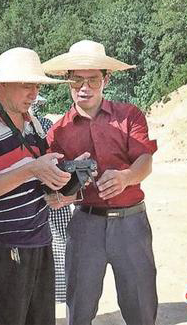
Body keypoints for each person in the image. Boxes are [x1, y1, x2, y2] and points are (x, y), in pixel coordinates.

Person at [43, 40, 158, 325]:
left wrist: (126, 177)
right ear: (67, 80)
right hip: (84, 226)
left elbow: (145, 161)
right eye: (77, 80)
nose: (84, 87)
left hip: (132, 225)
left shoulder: (130, 116)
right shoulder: (57, 133)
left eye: (93, 79)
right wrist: (64, 187)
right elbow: (52, 188)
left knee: (142, 309)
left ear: (106, 79)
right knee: (79, 310)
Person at [0, 47, 71, 325]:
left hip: (40, 243)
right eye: (26, 85)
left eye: (36, 85)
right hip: (1, 251)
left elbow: (37, 183)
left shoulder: (34, 124)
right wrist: (31, 168)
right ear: (2, 84)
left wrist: (62, 187)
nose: (33, 93)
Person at [30, 97, 73, 304]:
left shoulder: (46, 126)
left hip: (52, 196)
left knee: (59, 247)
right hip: (36, 198)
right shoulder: (45, 125)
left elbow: (59, 160)